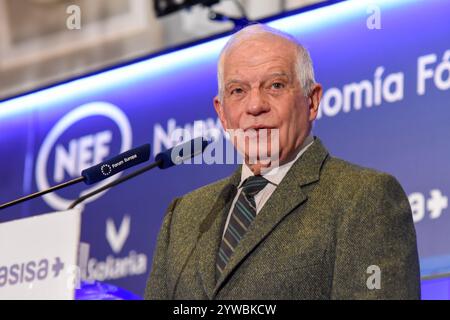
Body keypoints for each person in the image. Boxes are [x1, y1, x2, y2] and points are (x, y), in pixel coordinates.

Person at [145, 24, 420, 299]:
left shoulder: (363, 197)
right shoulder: (183, 216)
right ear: (222, 113)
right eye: (238, 91)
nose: (255, 106)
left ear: (311, 101)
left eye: (275, 86)